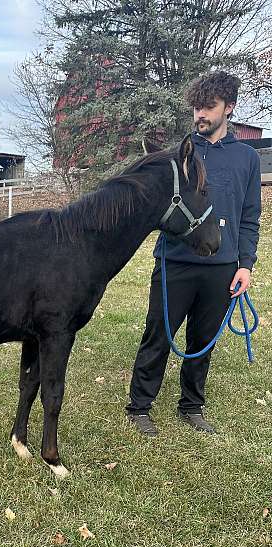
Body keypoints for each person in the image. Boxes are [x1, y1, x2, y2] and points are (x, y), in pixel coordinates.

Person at [126, 71, 261, 436]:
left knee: (202, 340)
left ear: (228, 108)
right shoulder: (180, 155)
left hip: (221, 266)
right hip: (176, 262)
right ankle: (140, 406)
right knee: (158, 333)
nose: (200, 114)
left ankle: (192, 405)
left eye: (208, 107)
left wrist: (245, 265)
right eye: (196, 108)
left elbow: (250, 216)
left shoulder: (247, 158)